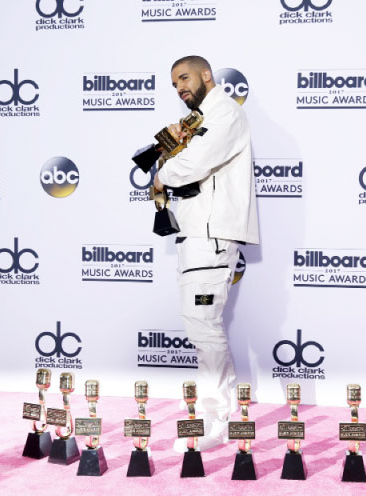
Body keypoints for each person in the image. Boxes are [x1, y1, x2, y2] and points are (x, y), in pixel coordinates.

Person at [153, 55, 259, 450]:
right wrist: (167, 150)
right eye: (174, 83)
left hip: (212, 238)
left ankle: (219, 419)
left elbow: (195, 164)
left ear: (206, 75)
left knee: (203, 322)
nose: (180, 87)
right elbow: (181, 158)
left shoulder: (225, 113)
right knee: (198, 323)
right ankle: (219, 414)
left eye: (184, 77)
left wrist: (163, 175)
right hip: (196, 235)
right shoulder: (198, 120)